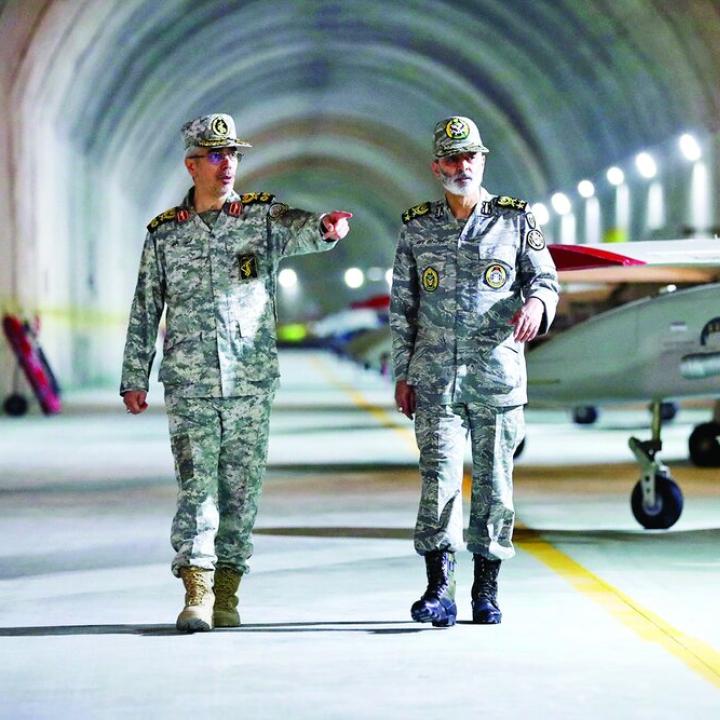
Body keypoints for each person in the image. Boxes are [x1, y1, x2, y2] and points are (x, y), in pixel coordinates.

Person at [120, 113, 351, 632]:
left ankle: (228, 592)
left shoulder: (260, 219)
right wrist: (135, 374)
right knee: (197, 487)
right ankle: (196, 593)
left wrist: (326, 228)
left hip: (249, 382)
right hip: (191, 381)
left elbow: (303, 230)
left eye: (234, 155)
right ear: (192, 164)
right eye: (217, 155)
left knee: (241, 490)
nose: (229, 165)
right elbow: (145, 307)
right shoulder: (164, 235)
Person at [390, 116, 559, 627]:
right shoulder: (417, 227)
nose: (462, 166)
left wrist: (536, 305)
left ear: (483, 161)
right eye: (452, 158)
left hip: (496, 376)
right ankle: (439, 589)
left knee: (494, 485)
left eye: (471, 157)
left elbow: (546, 279)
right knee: (437, 481)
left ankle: (487, 590)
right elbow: (403, 307)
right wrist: (403, 371)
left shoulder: (515, 220)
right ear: (436, 165)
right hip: (435, 377)